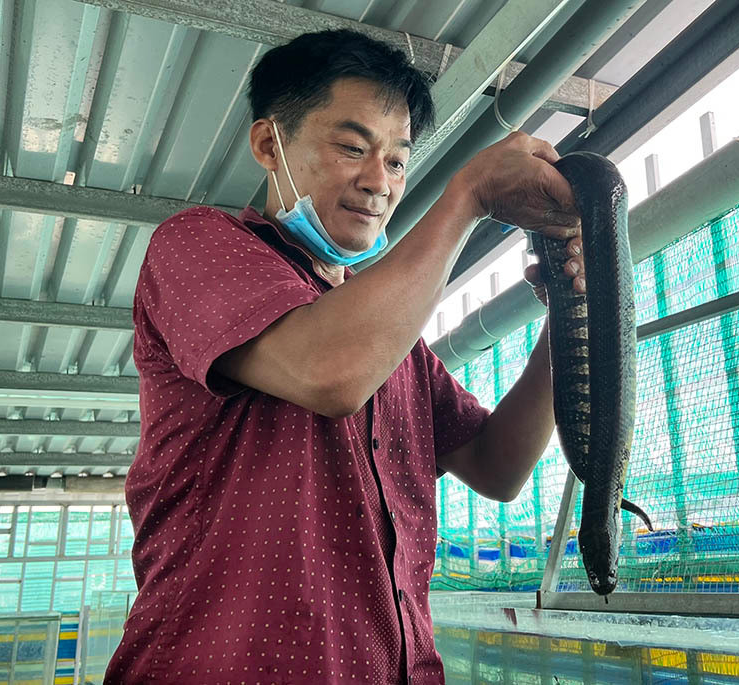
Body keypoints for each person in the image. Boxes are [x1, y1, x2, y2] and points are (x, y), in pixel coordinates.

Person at [105, 28, 585, 685]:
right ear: (269, 144)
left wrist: (565, 320)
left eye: (397, 161)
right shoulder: (196, 244)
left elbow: (498, 467)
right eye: (353, 148)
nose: (379, 182)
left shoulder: (395, 343)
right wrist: (467, 196)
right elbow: (330, 373)